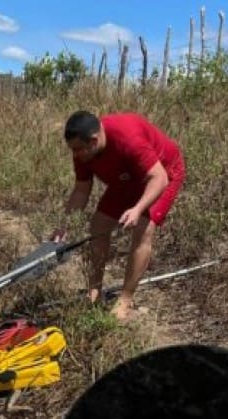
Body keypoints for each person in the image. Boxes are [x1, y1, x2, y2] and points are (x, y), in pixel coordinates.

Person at [52, 111, 185, 320]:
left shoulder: (128, 139)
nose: (75, 155)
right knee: (98, 227)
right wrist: (65, 225)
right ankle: (94, 291)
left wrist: (138, 208)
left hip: (163, 174)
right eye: (72, 149)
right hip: (126, 178)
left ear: (94, 141)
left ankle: (125, 300)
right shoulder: (83, 152)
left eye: (78, 149)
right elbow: (81, 190)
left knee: (143, 230)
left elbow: (158, 178)